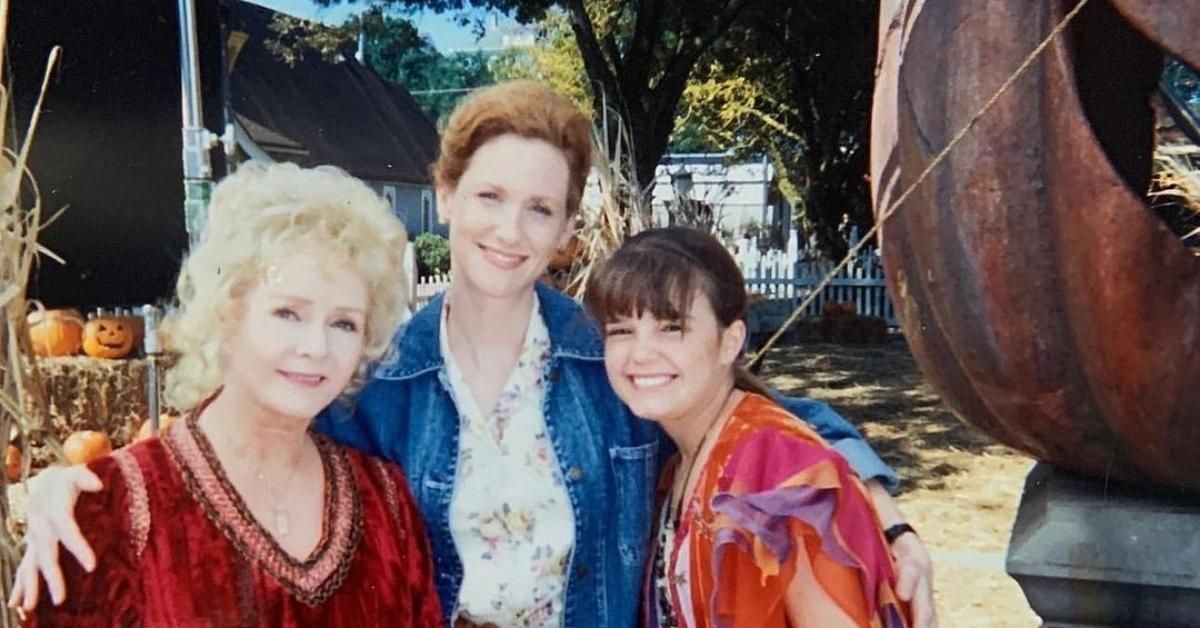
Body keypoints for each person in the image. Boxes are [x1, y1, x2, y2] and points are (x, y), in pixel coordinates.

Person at [11, 81, 934, 626]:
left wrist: (883, 511)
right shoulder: (376, 379)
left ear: (569, 229)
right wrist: (74, 485)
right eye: (488, 197)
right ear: (444, 196)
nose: (509, 229)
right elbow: (246, 418)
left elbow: (751, 415)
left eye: (541, 209)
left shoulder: (608, 365)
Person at [21, 163, 443, 626]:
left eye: (344, 323)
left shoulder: (386, 502)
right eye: (288, 313)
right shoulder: (108, 511)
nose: (316, 347)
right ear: (226, 313)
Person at [584, 226, 910, 627]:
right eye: (622, 331)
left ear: (730, 341)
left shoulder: (781, 477)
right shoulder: (675, 466)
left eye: (672, 327)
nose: (641, 352)